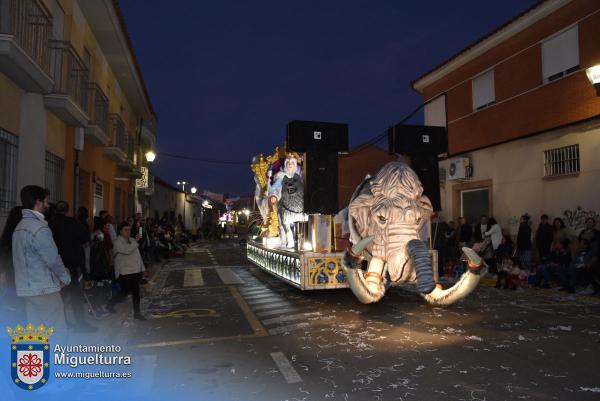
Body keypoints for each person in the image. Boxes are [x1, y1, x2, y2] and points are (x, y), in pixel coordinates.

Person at [11, 186, 71, 337]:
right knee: (57, 334)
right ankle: (56, 360)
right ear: (38, 202)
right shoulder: (39, 228)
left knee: (37, 335)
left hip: (27, 290)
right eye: (45, 201)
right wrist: (65, 277)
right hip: (45, 290)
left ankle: (40, 360)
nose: (48, 205)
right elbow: (52, 259)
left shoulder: (19, 227)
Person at [49, 201, 96, 332]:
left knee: (60, 296)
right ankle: (80, 324)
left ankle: (62, 324)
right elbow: (85, 239)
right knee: (76, 295)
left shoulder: (49, 223)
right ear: (68, 210)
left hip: (54, 264)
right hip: (71, 265)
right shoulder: (72, 223)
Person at [106, 222, 146, 320]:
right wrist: (135, 242)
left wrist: (143, 268)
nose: (128, 232)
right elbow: (127, 250)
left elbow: (138, 256)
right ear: (120, 231)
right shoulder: (117, 242)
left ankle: (137, 313)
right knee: (124, 292)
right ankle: (110, 304)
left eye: (129, 229)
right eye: (125, 230)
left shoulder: (132, 240)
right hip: (124, 272)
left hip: (135, 271)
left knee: (136, 292)